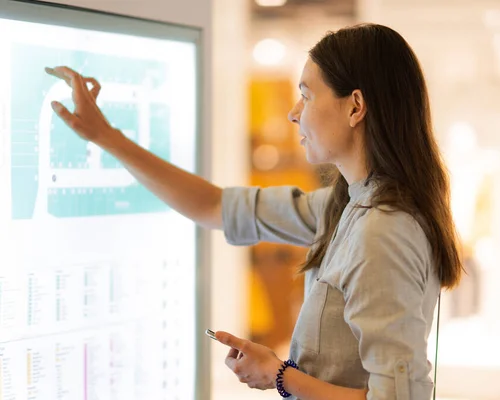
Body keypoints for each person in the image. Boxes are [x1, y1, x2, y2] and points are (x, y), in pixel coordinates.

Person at [46, 23, 462, 400]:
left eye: (306, 95)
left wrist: (279, 374)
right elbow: (215, 206)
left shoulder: (382, 230)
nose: (293, 112)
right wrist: (106, 137)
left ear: (355, 107)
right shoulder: (346, 205)